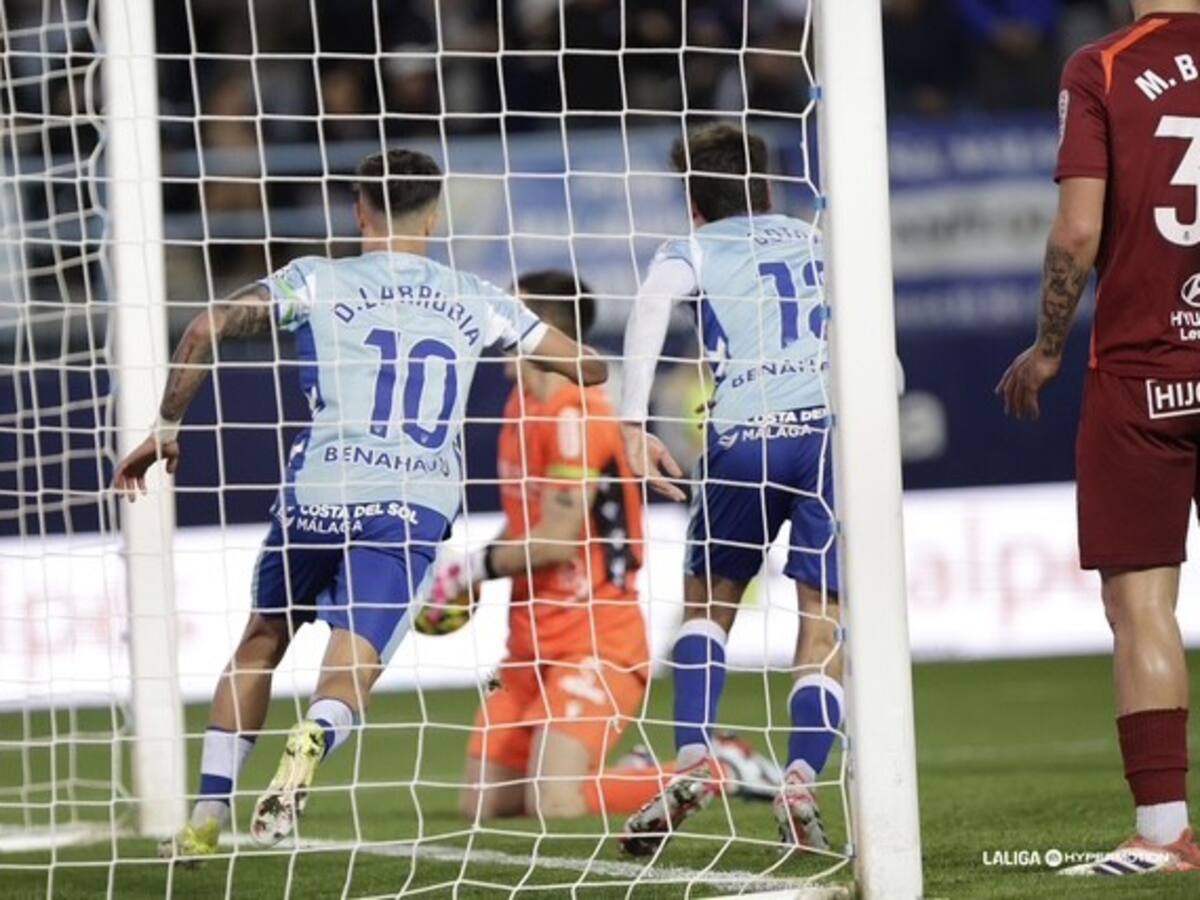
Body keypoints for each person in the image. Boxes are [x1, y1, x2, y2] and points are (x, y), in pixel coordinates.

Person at [113, 149, 605, 862]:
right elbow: (589, 365)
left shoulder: (316, 278)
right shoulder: (476, 296)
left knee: (261, 640)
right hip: (410, 506)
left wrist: (166, 427)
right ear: (434, 215)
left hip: (319, 491)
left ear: (359, 211)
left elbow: (202, 327)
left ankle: (206, 816)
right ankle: (314, 733)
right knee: (352, 669)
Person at [425, 270, 777, 821]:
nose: (497, 329)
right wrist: (461, 575)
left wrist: (470, 568)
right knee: (483, 806)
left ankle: (722, 769)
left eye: (510, 317)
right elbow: (527, 524)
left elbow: (558, 542)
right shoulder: (519, 406)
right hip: (529, 646)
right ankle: (641, 775)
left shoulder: (577, 412)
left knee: (555, 801)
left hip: (597, 641)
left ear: (541, 332)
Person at [997, 1, 1200, 876]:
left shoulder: (1105, 68)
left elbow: (1078, 229)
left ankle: (1163, 836)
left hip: (1144, 370)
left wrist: (1046, 351)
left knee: (1143, 605)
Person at [616, 124, 842, 855]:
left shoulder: (695, 248)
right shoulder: (813, 237)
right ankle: (804, 773)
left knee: (710, 602)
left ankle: (692, 756)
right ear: (769, 185)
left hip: (746, 434)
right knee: (826, 616)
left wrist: (633, 424)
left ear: (693, 200)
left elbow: (652, 306)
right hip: (830, 436)